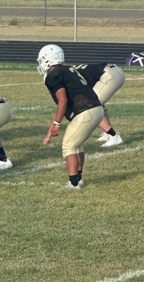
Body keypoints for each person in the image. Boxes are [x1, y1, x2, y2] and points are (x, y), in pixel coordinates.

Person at [38, 44, 105, 190]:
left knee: (69, 146)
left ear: (48, 59)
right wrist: (51, 127)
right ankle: (78, 179)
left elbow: (62, 101)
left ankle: (74, 183)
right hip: (97, 109)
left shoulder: (53, 75)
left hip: (85, 110)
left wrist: (57, 124)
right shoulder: (70, 69)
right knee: (77, 144)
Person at [72, 62, 125, 147]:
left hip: (110, 75)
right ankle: (107, 133)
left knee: (91, 107)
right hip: (112, 71)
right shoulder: (69, 71)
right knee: (96, 104)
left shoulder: (65, 77)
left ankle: (114, 137)